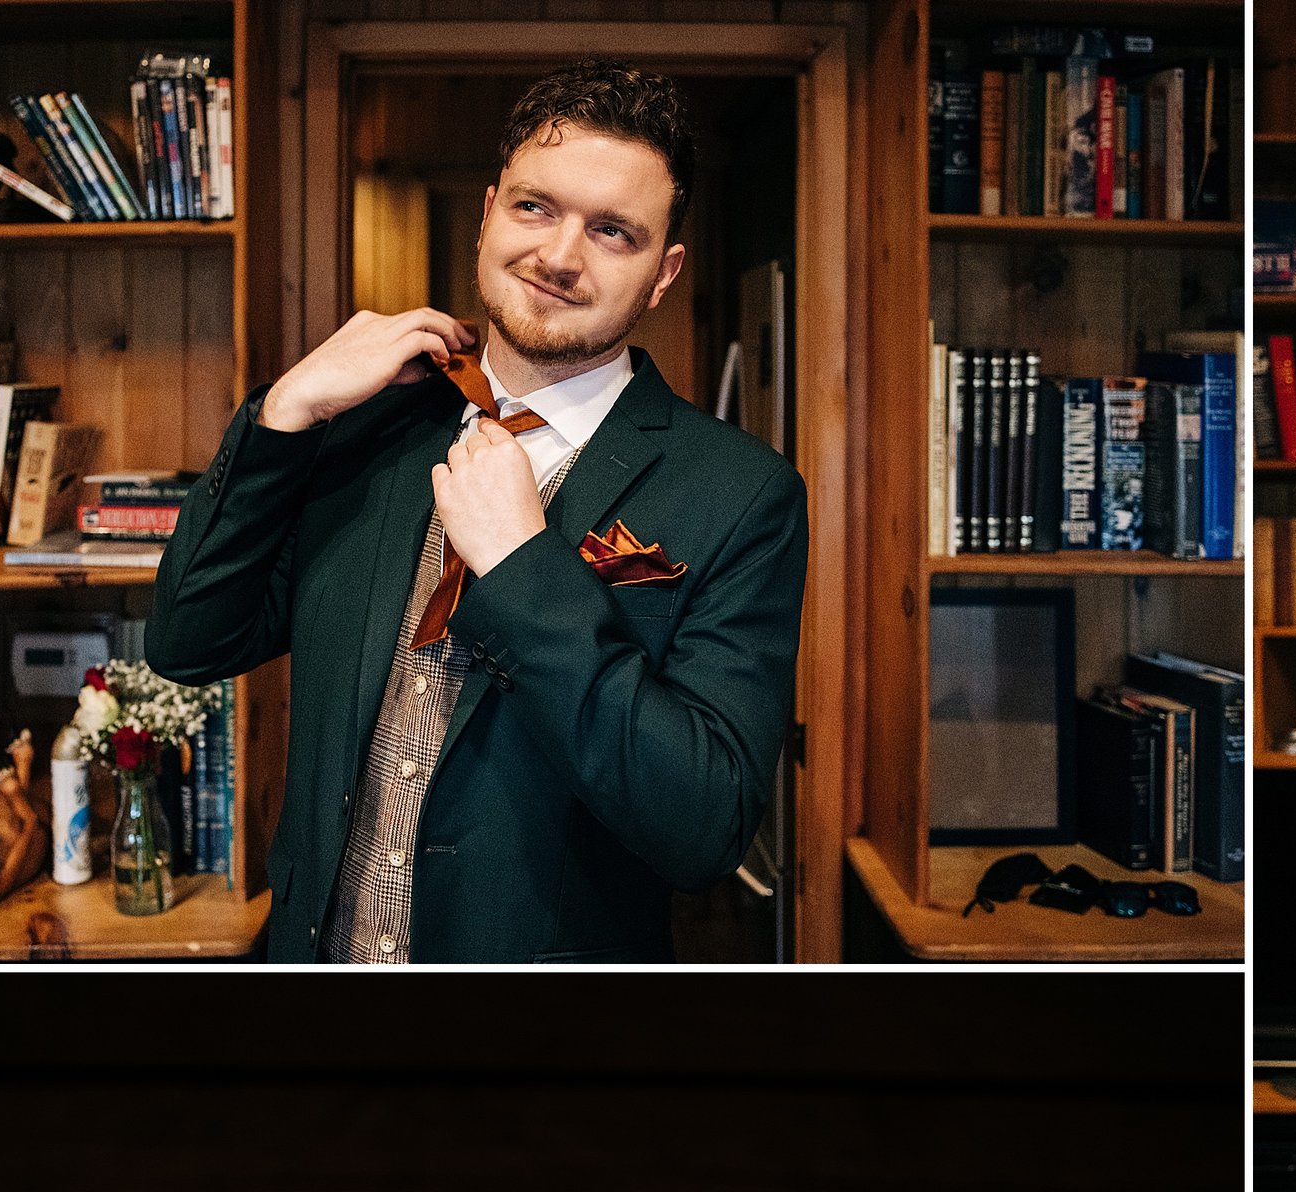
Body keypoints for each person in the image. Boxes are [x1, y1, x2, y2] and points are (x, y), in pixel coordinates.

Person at [148, 62, 807, 965]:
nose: (561, 256)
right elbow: (190, 639)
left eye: (613, 231)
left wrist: (524, 572)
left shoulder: (742, 494)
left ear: (664, 272)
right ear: (491, 208)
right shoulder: (362, 427)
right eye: (535, 208)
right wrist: (284, 411)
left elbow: (704, 826)